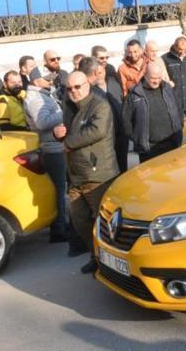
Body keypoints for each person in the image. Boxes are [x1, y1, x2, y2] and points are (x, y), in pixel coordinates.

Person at [53, 71, 116, 274]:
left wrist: (68, 143)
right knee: (79, 220)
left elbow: (96, 131)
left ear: (88, 84)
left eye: (77, 87)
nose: (73, 92)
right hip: (76, 175)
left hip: (97, 175)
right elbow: (65, 132)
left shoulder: (100, 105)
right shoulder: (69, 107)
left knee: (104, 223)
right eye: (69, 88)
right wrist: (58, 134)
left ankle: (111, 261)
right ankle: (96, 255)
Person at [23, 73, 69, 243]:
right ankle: (58, 228)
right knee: (58, 189)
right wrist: (64, 113)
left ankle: (61, 225)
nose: (50, 81)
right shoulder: (35, 98)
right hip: (51, 148)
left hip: (55, 146)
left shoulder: (42, 95)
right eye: (46, 79)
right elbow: (42, 122)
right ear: (36, 81)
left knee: (60, 188)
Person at [76, 56, 130, 175]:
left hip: (120, 136)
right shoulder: (88, 92)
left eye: (102, 71)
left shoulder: (114, 83)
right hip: (105, 141)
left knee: (122, 170)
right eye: (98, 72)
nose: (100, 75)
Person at [123, 63, 184, 163]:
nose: (156, 81)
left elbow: (178, 107)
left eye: (159, 78)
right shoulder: (134, 95)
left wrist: (180, 125)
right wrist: (137, 138)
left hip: (172, 144)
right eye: (153, 78)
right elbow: (126, 121)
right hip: (149, 149)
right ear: (145, 75)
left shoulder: (167, 88)